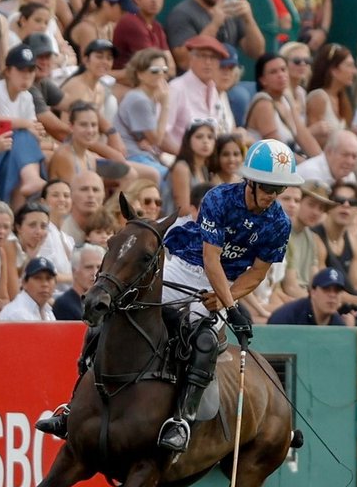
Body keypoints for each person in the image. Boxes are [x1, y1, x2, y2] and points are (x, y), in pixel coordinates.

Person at [37, 139, 300, 451]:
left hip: (227, 282)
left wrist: (227, 297)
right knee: (114, 315)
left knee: (204, 342)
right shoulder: (219, 198)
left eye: (279, 189)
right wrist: (230, 306)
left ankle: (181, 421)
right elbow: (210, 259)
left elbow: (257, 272)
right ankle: (73, 408)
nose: (272, 196)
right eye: (268, 188)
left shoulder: (279, 223)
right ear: (251, 182)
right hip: (185, 267)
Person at [267, 265, 354, 325]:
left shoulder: (337, 322)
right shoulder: (288, 317)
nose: (332, 295)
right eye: (326, 289)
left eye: (337, 291)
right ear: (313, 292)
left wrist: (348, 333)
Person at [0, 256, 59, 322]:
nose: (45, 284)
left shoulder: (46, 309)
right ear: (24, 283)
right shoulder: (18, 312)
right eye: (38, 278)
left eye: (49, 278)